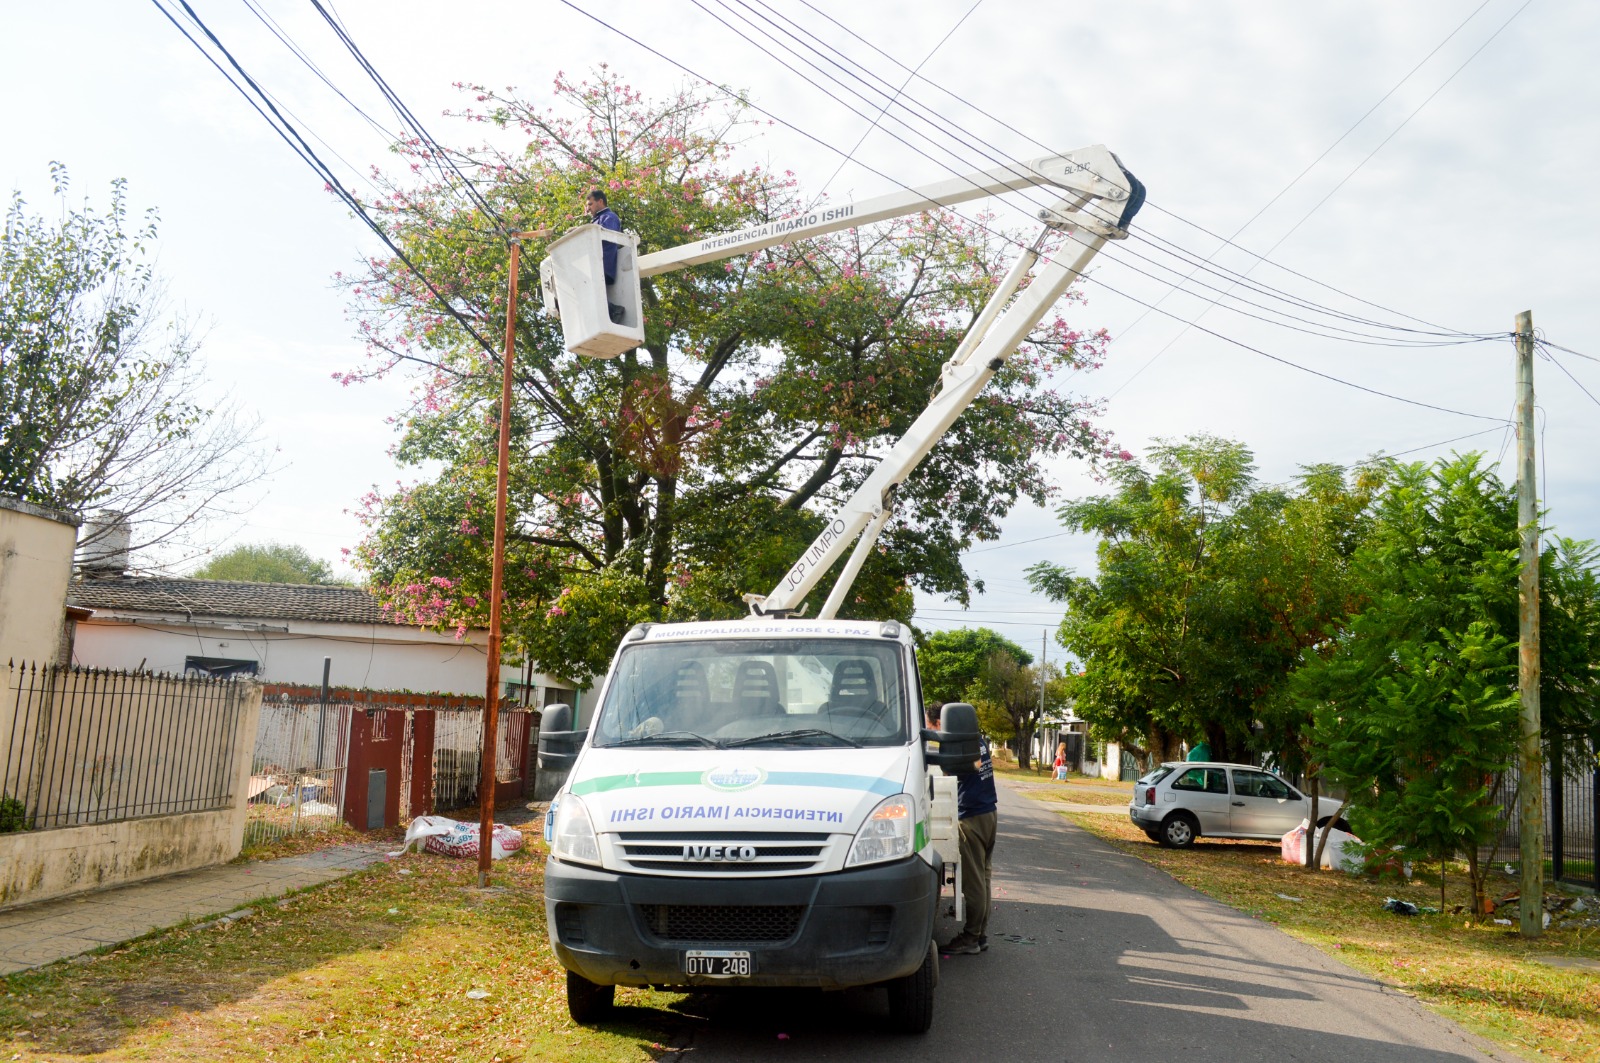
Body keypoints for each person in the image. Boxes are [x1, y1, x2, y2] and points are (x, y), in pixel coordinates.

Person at [931, 707, 997, 955]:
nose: (935, 735)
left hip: (970, 816)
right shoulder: (977, 740)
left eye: (934, 728)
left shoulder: (957, 745)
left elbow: (946, 774)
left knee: (974, 883)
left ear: (941, 723)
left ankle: (971, 938)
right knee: (984, 877)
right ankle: (980, 935)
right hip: (989, 813)